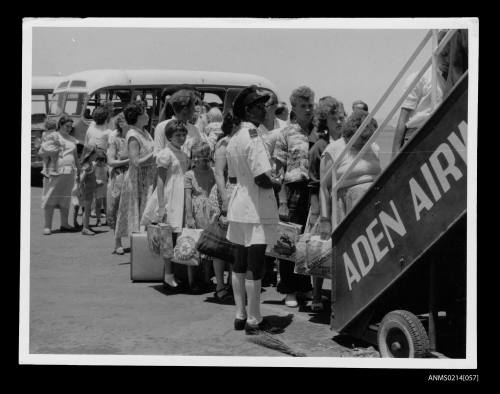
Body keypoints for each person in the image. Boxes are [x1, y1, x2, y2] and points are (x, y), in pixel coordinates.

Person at [225, 85, 283, 334]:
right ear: (249, 110)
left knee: (239, 262)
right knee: (255, 264)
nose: (264, 110)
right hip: (256, 208)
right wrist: (277, 182)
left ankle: (240, 315)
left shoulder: (234, 138)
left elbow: (234, 178)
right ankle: (255, 319)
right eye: (260, 106)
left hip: (239, 204)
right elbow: (261, 177)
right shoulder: (253, 137)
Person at [274, 85, 316, 308]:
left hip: (315, 189)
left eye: (310, 105)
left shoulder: (320, 131)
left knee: (308, 239)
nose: (308, 109)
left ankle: (305, 286)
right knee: (288, 240)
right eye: (303, 106)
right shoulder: (286, 133)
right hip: (293, 189)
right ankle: (288, 289)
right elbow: (278, 170)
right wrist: (281, 200)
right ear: (294, 108)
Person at [307, 96, 346, 312]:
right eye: (334, 119)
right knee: (319, 250)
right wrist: (319, 214)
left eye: (341, 118)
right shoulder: (320, 146)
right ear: (325, 121)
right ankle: (316, 295)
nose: (339, 122)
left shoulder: (350, 140)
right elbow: (315, 184)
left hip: (341, 202)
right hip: (322, 203)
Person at [319, 110, 382, 241]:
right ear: (351, 133)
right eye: (363, 138)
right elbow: (324, 187)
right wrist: (325, 220)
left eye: (370, 137)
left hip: (374, 204)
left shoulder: (374, 147)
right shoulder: (334, 149)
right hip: (347, 206)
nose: (366, 142)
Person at [141, 120, 189, 290]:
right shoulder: (165, 154)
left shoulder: (183, 154)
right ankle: (168, 275)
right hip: (169, 196)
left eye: (184, 134)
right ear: (169, 137)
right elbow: (160, 180)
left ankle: (178, 273)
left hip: (182, 195)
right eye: (178, 135)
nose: (182, 138)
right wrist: (161, 205)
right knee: (167, 237)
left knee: (179, 236)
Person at [391, 30, 450, 156]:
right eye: (444, 54)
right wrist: (395, 153)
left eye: (451, 55)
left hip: (445, 135)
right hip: (416, 134)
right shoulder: (419, 77)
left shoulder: (455, 78)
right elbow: (403, 118)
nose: (448, 60)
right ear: (436, 52)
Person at [207, 112, 238, 303]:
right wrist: (225, 200)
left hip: (238, 194)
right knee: (220, 244)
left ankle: (232, 283)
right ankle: (219, 285)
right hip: (224, 195)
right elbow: (219, 174)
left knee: (235, 243)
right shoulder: (224, 144)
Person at [114, 102, 156, 240]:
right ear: (138, 116)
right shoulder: (133, 135)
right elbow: (135, 162)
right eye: (144, 112)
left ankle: (142, 241)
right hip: (137, 180)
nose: (147, 114)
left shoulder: (145, 132)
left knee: (145, 211)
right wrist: (155, 153)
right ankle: (127, 243)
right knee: (134, 211)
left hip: (147, 179)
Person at [184, 141, 217, 293]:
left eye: (204, 158)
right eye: (196, 157)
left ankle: (206, 278)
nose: (200, 161)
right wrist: (189, 216)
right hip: (196, 213)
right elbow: (188, 197)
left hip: (210, 213)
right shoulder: (189, 175)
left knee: (208, 246)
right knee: (193, 246)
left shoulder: (213, 172)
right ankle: (192, 281)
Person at [41, 115, 80, 235]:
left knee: (66, 199)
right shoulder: (53, 136)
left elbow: (75, 157)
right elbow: (43, 151)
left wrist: (79, 170)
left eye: (70, 127)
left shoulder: (73, 139)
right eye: (66, 126)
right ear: (60, 125)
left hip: (70, 173)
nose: (69, 128)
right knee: (50, 198)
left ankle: (64, 223)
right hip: (55, 172)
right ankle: (47, 226)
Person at [153, 89, 208, 159]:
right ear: (185, 110)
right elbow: (157, 155)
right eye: (193, 107)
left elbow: (200, 153)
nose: (194, 110)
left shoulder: (194, 129)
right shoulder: (162, 127)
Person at [106, 111, 130, 254]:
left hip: (133, 175)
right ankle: (117, 242)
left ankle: (135, 240)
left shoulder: (137, 136)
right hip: (119, 176)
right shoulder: (115, 139)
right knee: (115, 207)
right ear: (120, 123)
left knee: (132, 207)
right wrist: (129, 161)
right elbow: (111, 160)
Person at [79, 146, 100, 235]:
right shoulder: (87, 165)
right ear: (90, 155)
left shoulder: (90, 164)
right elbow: (81, 179)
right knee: (87, 210)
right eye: (95, 154)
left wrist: (96, 182)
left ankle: (87, 226)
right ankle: (85, 228)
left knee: (87, 209)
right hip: (87, 191)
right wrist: (81, 187)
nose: (96, 156)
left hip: (90, 190)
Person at [93, 150, 108, 227]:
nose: (101, 162)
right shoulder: (94, 166)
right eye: (99, 159)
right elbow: (91, 177)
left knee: (106, 204)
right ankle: (98, 220)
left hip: (105, 187)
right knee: (98, 205)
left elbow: (108, 177)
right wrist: (96, 181)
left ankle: (107, 220)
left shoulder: (106, 166)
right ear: (96, 159)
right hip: (98, 187)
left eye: (103, 159)